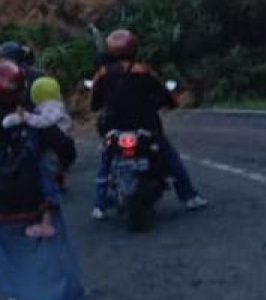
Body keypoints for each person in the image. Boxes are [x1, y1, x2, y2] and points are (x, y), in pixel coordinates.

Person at [0, 59, 86, 300]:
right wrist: (53, 166)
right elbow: (67, 149)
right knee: (48, 254)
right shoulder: (34, 121)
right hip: (39, 206)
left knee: (7, 257)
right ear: (21, 89)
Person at [89, 29, 208, 220]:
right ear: (134, 48)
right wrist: (166, 102)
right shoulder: (144, 71)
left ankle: (99, 205)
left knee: (106, 160)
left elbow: (94, 104)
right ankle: (189, 196)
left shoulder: (102, 74)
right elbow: (166, 97)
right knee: (170, 157)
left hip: (114, 128)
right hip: (146, 126)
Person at [5, 76, 77, 192]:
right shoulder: (54, 106)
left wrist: (25, 116)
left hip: (56, 146)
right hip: (59, 145)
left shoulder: (52, 107)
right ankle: (57, 183)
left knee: (47, 171)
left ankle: (50, 196)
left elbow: (44, 122)